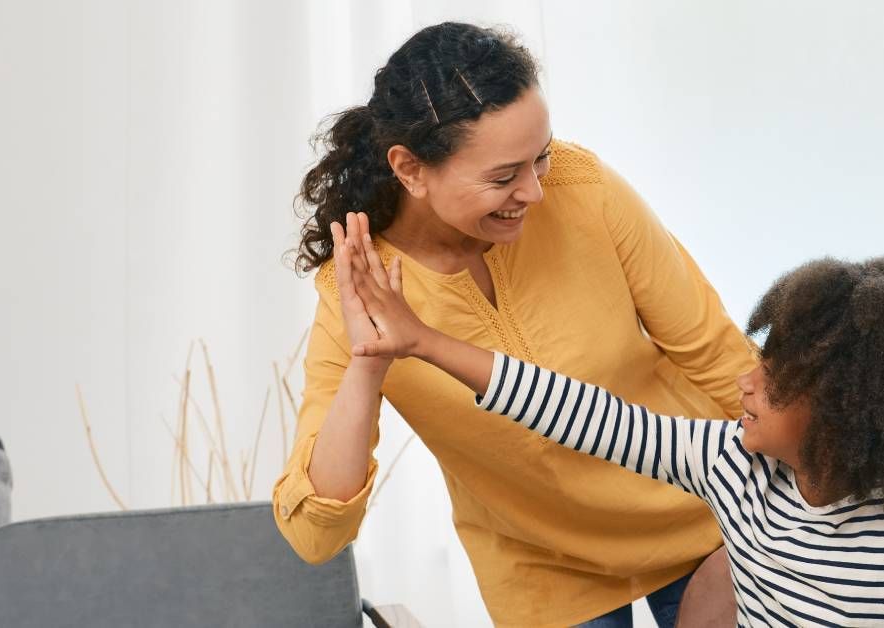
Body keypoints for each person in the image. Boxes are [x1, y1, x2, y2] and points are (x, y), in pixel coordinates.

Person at [272, 22, 757, 627]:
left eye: (541, 157)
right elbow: (316, 532)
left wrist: (782, 518)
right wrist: (369, 364)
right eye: (503, 177)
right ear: (411, 169)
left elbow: (720, 358)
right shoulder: (360, 285)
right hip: (544, 570)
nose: (535, 191)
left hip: (707, 520)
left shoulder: (585, 189)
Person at [341, 240, 884, 627]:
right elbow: (585, 414)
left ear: (846, 411)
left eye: (774, 377)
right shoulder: (731, 466)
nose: (747, 380)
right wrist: (425, 342)